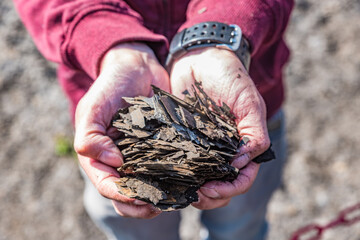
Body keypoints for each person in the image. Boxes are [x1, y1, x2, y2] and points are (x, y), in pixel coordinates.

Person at [14, 0, 294, 239]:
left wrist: (217, 37)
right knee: (133, 223)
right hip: (111, 117)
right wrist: (110, 42)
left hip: (240, 109)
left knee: (241, 225)